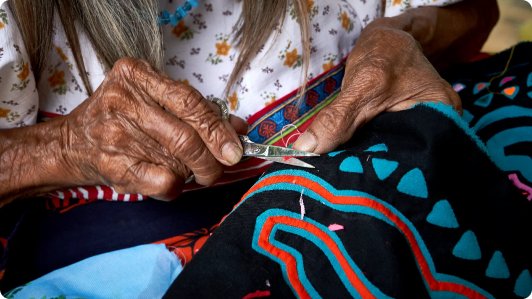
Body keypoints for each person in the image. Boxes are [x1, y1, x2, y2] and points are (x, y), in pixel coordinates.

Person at [3, 0, 530, 298]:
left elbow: (473, 15)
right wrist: (63, 146)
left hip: (380, 165)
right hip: (126, 252)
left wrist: (399, 35)